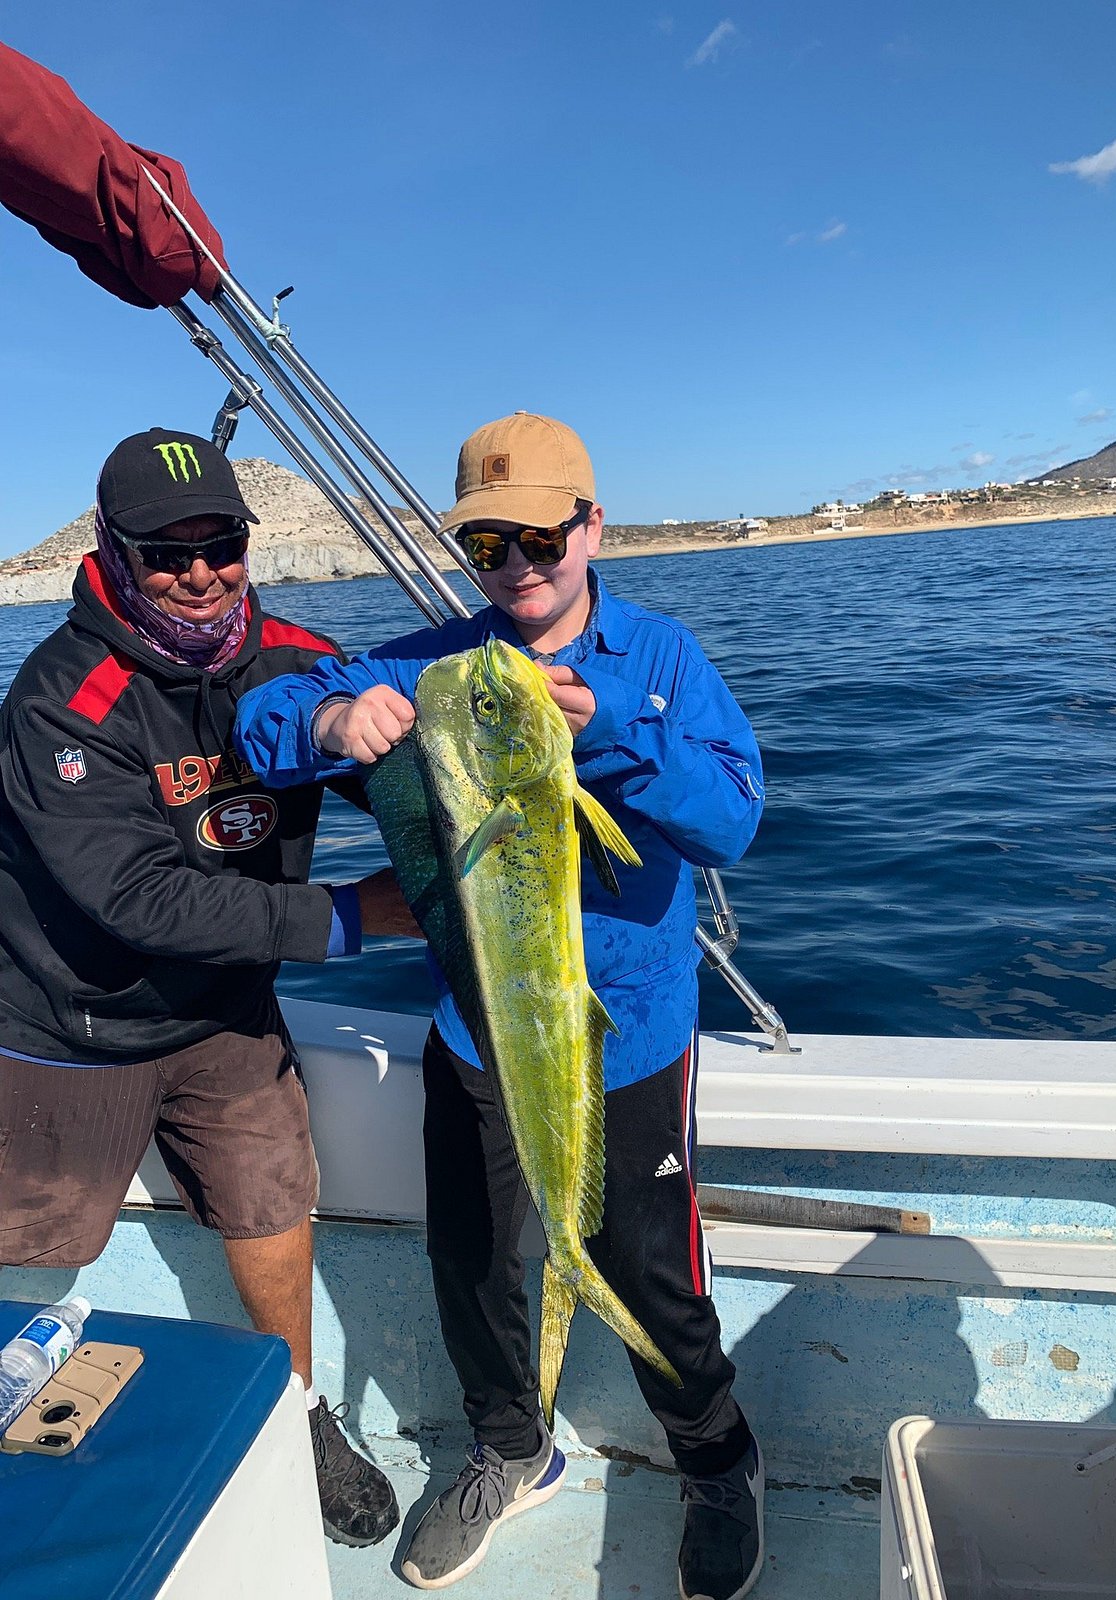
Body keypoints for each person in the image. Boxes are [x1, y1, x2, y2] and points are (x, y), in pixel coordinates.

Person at [235, 412, 767, 1600]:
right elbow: (262, 724)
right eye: (490, 546)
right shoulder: (448, 669)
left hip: (626, 1032)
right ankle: (513, 1449)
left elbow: (732, 817)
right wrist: (328, 719)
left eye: (540, 535)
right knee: (472, 1258)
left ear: (591, 527)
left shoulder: (662, 660)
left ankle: (716, 1458)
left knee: (647, 1268)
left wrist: (615, 729)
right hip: (479, 1025)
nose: (519, 566)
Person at [0, 427, 411, 1549]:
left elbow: (400, 755)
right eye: (165, 551)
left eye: (219, 544)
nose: (197, 573)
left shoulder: (295, 655)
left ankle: (300, 1410)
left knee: (273, 1203)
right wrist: (348, 914)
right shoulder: (57, 701)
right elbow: (136, 897)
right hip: (67, 1018)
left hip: (226, 1012)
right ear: (110, 548)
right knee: (34, 1239)